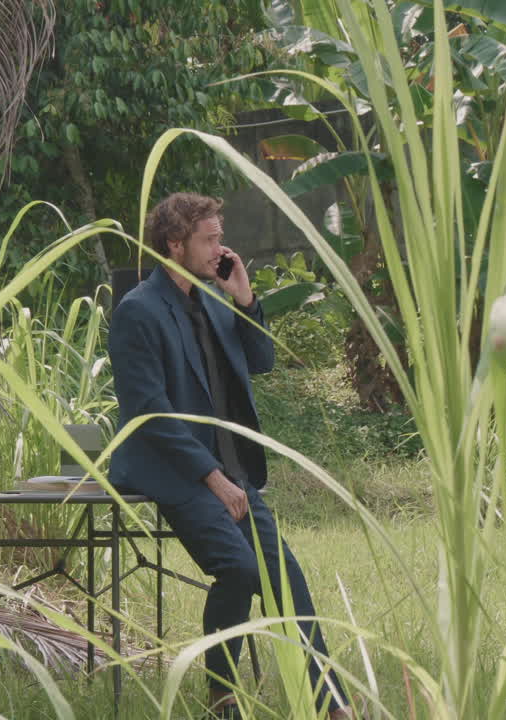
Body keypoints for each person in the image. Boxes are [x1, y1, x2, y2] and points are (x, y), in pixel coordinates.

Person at [108, 193, 352, 719]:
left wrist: (244, 300)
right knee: (239, 570)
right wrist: (212, 477)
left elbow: (261, 361)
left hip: (231, 472)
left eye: (220, 236)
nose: (223, 246)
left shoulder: (215, 299)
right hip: (174, 470)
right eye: (210, 239)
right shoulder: (138, 312)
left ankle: (332, 705)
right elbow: (149, 412)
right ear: (175, 244)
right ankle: (222, 694)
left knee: (284, 575)